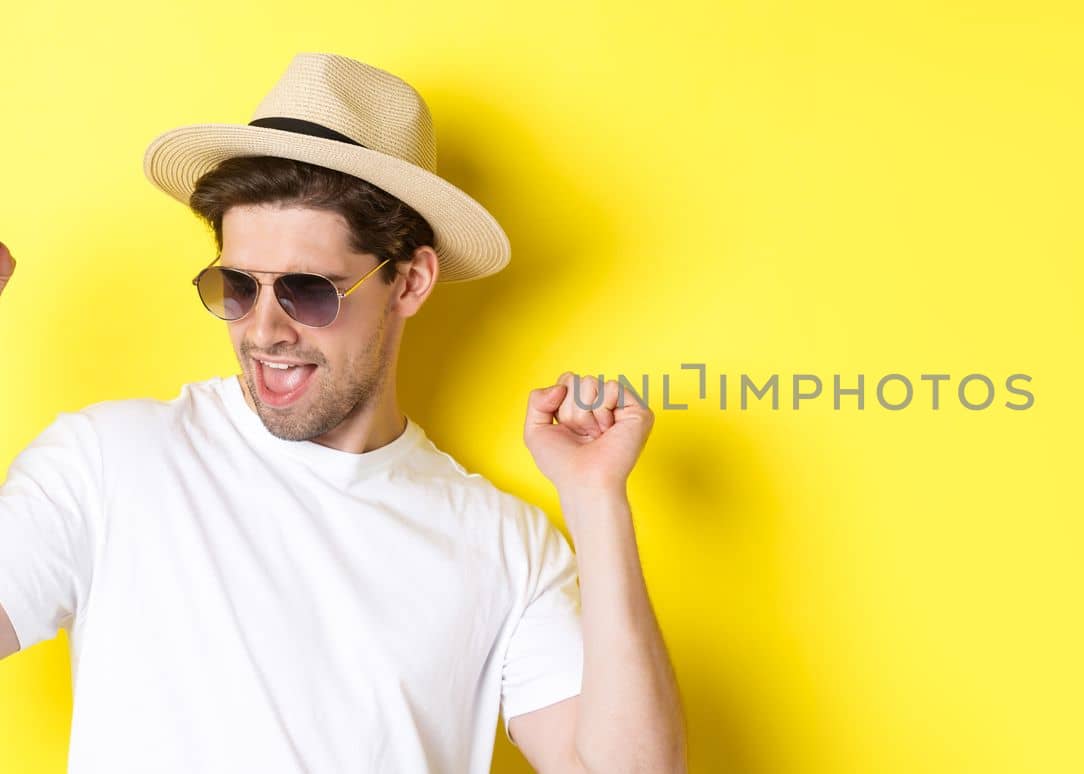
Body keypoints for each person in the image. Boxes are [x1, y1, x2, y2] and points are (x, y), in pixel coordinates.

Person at [0, 53, 686, 774]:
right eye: (236, 286)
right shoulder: (110, 462)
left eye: (308, 291)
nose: (263, 330)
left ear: (410, 282)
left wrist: (595, 499)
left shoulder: (504, 544)